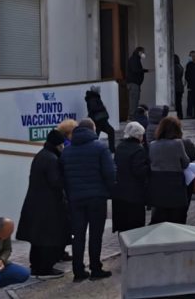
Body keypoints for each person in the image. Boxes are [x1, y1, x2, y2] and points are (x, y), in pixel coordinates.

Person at [62, 119, 116, 281]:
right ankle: (95, 268)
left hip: (76, 199)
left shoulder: (67, 151)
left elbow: (64, 176)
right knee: (95, 235)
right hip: (97, 198)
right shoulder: (100, 147)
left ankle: (78, 271)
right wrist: (109, 191)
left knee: (78, 236)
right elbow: (109, 173)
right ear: (92, 129)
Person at [16, 130, 69, 279]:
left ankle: (36, 266)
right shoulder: (51, 159)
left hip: (36, 204)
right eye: (62, 145)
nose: (63, 147)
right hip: (48, 206)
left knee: (37, 239)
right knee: (48, 238)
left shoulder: (41, 155)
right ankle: (45, 268)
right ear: (58, 145)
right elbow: (56, 182)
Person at [147, 116, 191, 224]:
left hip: (157, 183)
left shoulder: (152, 145)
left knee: (160, 215)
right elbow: (185, 163)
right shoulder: (177, 143)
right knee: (177, 217)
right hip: (174, 183)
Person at [113, 122, 150, 232]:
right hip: (134, 195)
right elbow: (139, 171)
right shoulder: (138, 150)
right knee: (135, 227)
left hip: (119, 193)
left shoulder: (120, 147)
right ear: (138, 136)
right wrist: (149, 167)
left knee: (123, 226)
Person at [85, 87, 117, 152]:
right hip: (99, 120)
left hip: (99, 120)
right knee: (109, 131)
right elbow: (94, 108)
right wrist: (102, 107)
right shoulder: (93, 98)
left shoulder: (92, 98)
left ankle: (110, 149)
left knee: (97, 135)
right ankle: (111, 149)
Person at [126, 47, 148, 116]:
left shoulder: (135, 59)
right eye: (143, 52)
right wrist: (144, 70)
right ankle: (132, 116)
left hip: (135, 83)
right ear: (139, 52)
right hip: (134, 83)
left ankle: (133, 115)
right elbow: (135, 70)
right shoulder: (134, 59)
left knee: (135, 100)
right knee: (134, 101)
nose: (144, 54)